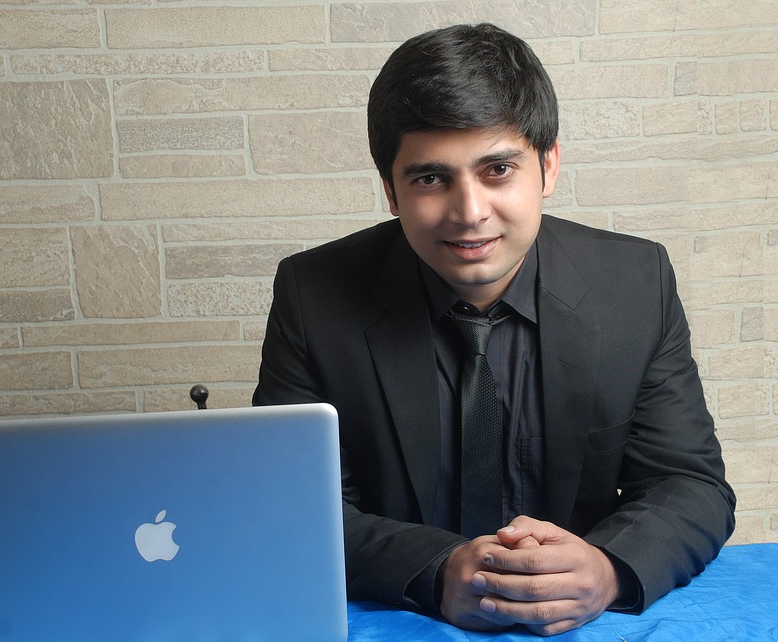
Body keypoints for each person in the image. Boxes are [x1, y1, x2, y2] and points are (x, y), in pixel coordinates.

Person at [253, 23, 735, 636]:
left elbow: (689, 483)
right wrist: (435, 571)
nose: (470, 212)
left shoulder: (636, 284)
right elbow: (294, 508)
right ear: (391, 192)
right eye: (430, 178)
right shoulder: (312, 295)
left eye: (498, 169)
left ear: (548, 166)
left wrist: (608, 568)